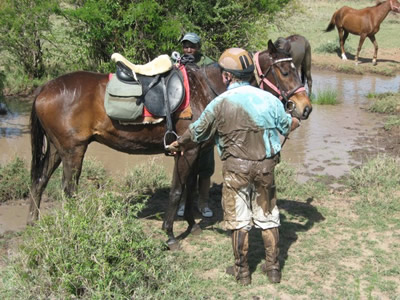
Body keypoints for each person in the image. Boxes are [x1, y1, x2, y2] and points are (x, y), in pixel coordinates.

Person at [167, 48, 301, 285]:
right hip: (266, 167)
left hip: (235, 169)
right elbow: (286, 126)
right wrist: (295, 120)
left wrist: (179, 142)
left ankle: (242, 272)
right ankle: (273, 270)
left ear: (227, 76)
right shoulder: (270, 99)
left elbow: (197, 132)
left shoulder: (219, 103)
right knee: (269, 216)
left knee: (239, 221)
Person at [177, 32, 214, 218]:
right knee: (184, 165)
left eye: (192, 46)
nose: (188, 49)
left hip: (207, 121)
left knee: (206, 169)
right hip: (187, 119)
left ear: (199, 48)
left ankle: (203, 202)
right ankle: (183, 202)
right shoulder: (177, 61)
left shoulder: (208, 65)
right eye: (185, 46)